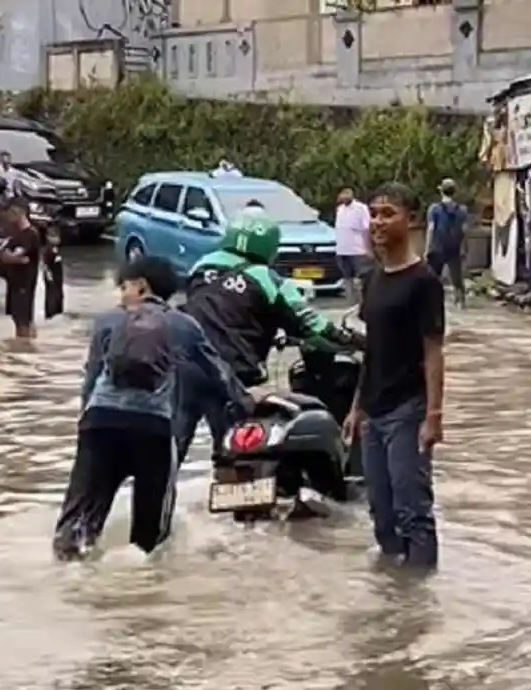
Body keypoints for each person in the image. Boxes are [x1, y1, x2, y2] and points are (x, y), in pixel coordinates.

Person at [53, 256, 252, 561]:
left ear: (142, 286)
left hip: (100, 425)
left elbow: (91, 377)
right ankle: (145, 596)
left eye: (125, 286)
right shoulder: (184, 325)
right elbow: (219, 374)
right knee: (151, 538)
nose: (121, 294)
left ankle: (72, 583)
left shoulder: (107, 320)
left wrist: (85, 423)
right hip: (153, 429)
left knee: (79, 524)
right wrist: (247, 405)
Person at [181, 212, 363, 457]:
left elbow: (221, 312)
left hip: (186, 366)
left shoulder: (200, 268)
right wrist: (354, 341)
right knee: (237, 447)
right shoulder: (267, 279)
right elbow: (312, 325)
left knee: (174, 446)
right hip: (233, 374)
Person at [343, 182, 445, 570]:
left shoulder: (424, 281)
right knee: (381, 513)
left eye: (388, 213)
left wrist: (434, 417)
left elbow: (433, 351)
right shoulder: (372, 277)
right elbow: (372, 349)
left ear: (412, 220)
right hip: (374, 410)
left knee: (413, 510)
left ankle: (420, 602)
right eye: (374, 213)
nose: (377, 222)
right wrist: (356, 408)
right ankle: (393, 595)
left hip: (409, 409)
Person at [0, 203, 41, 338]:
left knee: (23, 319)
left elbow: (16, 256)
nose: (8, 221)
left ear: (18, 215)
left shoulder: (30, 235)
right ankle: (22, 345)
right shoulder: (15, 235)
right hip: (14, 282)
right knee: (17, 317)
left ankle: (25, 345)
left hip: (24, 283)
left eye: (10, 217)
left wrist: (7, 257)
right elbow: (3, 254)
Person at [425, 178, 469, 309]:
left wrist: (427, 248)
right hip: (454, 247)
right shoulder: (462, 210)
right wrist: (465, 248)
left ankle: (432, 303)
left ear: (441, 192)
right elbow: (464, 230)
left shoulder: (434, 209)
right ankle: (461, 302)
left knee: (433, 277)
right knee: (457, 277)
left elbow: (431, 229)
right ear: (454, 192)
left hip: (438, 246)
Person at [334, 186, 372, 303]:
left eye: (347, 193)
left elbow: (367, 229)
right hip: (342, 249)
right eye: (342, 194)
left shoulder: (361, 208)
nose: (344, 196)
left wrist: (369, 247)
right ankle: (351, 303)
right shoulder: (340, 209)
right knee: (347, 279)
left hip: (358, 250)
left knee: (361, 279)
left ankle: (364, 303)